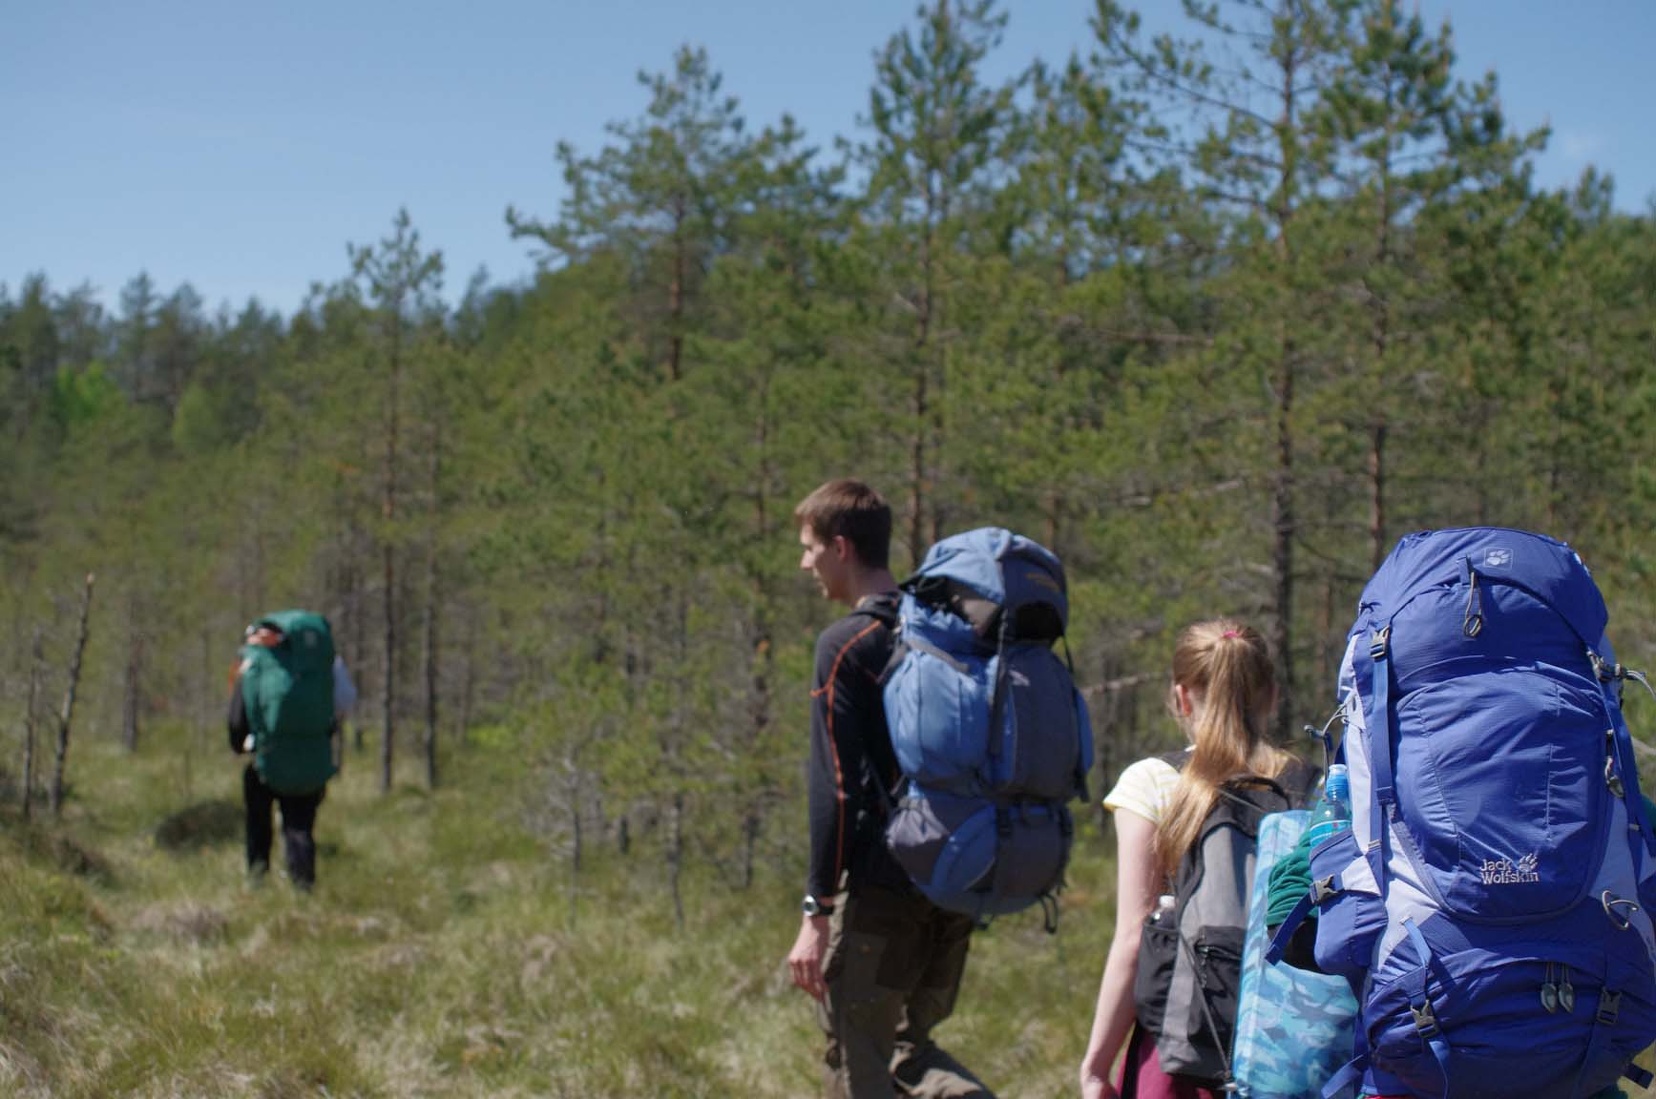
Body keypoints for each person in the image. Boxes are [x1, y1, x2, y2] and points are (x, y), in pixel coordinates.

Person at [784, 479, 994, 1099]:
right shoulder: (950, 632)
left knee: (860, 1061)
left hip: (885, 888)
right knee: (910, 1050)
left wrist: (817, 910)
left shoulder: (847, 644)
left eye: (810, 548)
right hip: (958, 883)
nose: (805, 563)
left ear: (841, 547)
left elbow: (836, 791)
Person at [1079, 620, 1300, 1099]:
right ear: (1272, 695)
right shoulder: (1314, 788)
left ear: (1181, 698)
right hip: (1291, 1047)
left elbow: (1134, 938)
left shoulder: (1154, 781)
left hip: (1182, 1046)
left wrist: (1096, 1066)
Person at [228, 612, 357, 890]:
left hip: (265, 757)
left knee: (258, 823)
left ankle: (258, 880)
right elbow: (345, 701)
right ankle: (303, 887)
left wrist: (239, 745)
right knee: (299, 825)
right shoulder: (325, 663)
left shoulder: (255, 662)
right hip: (311, 758)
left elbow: (237, 718)